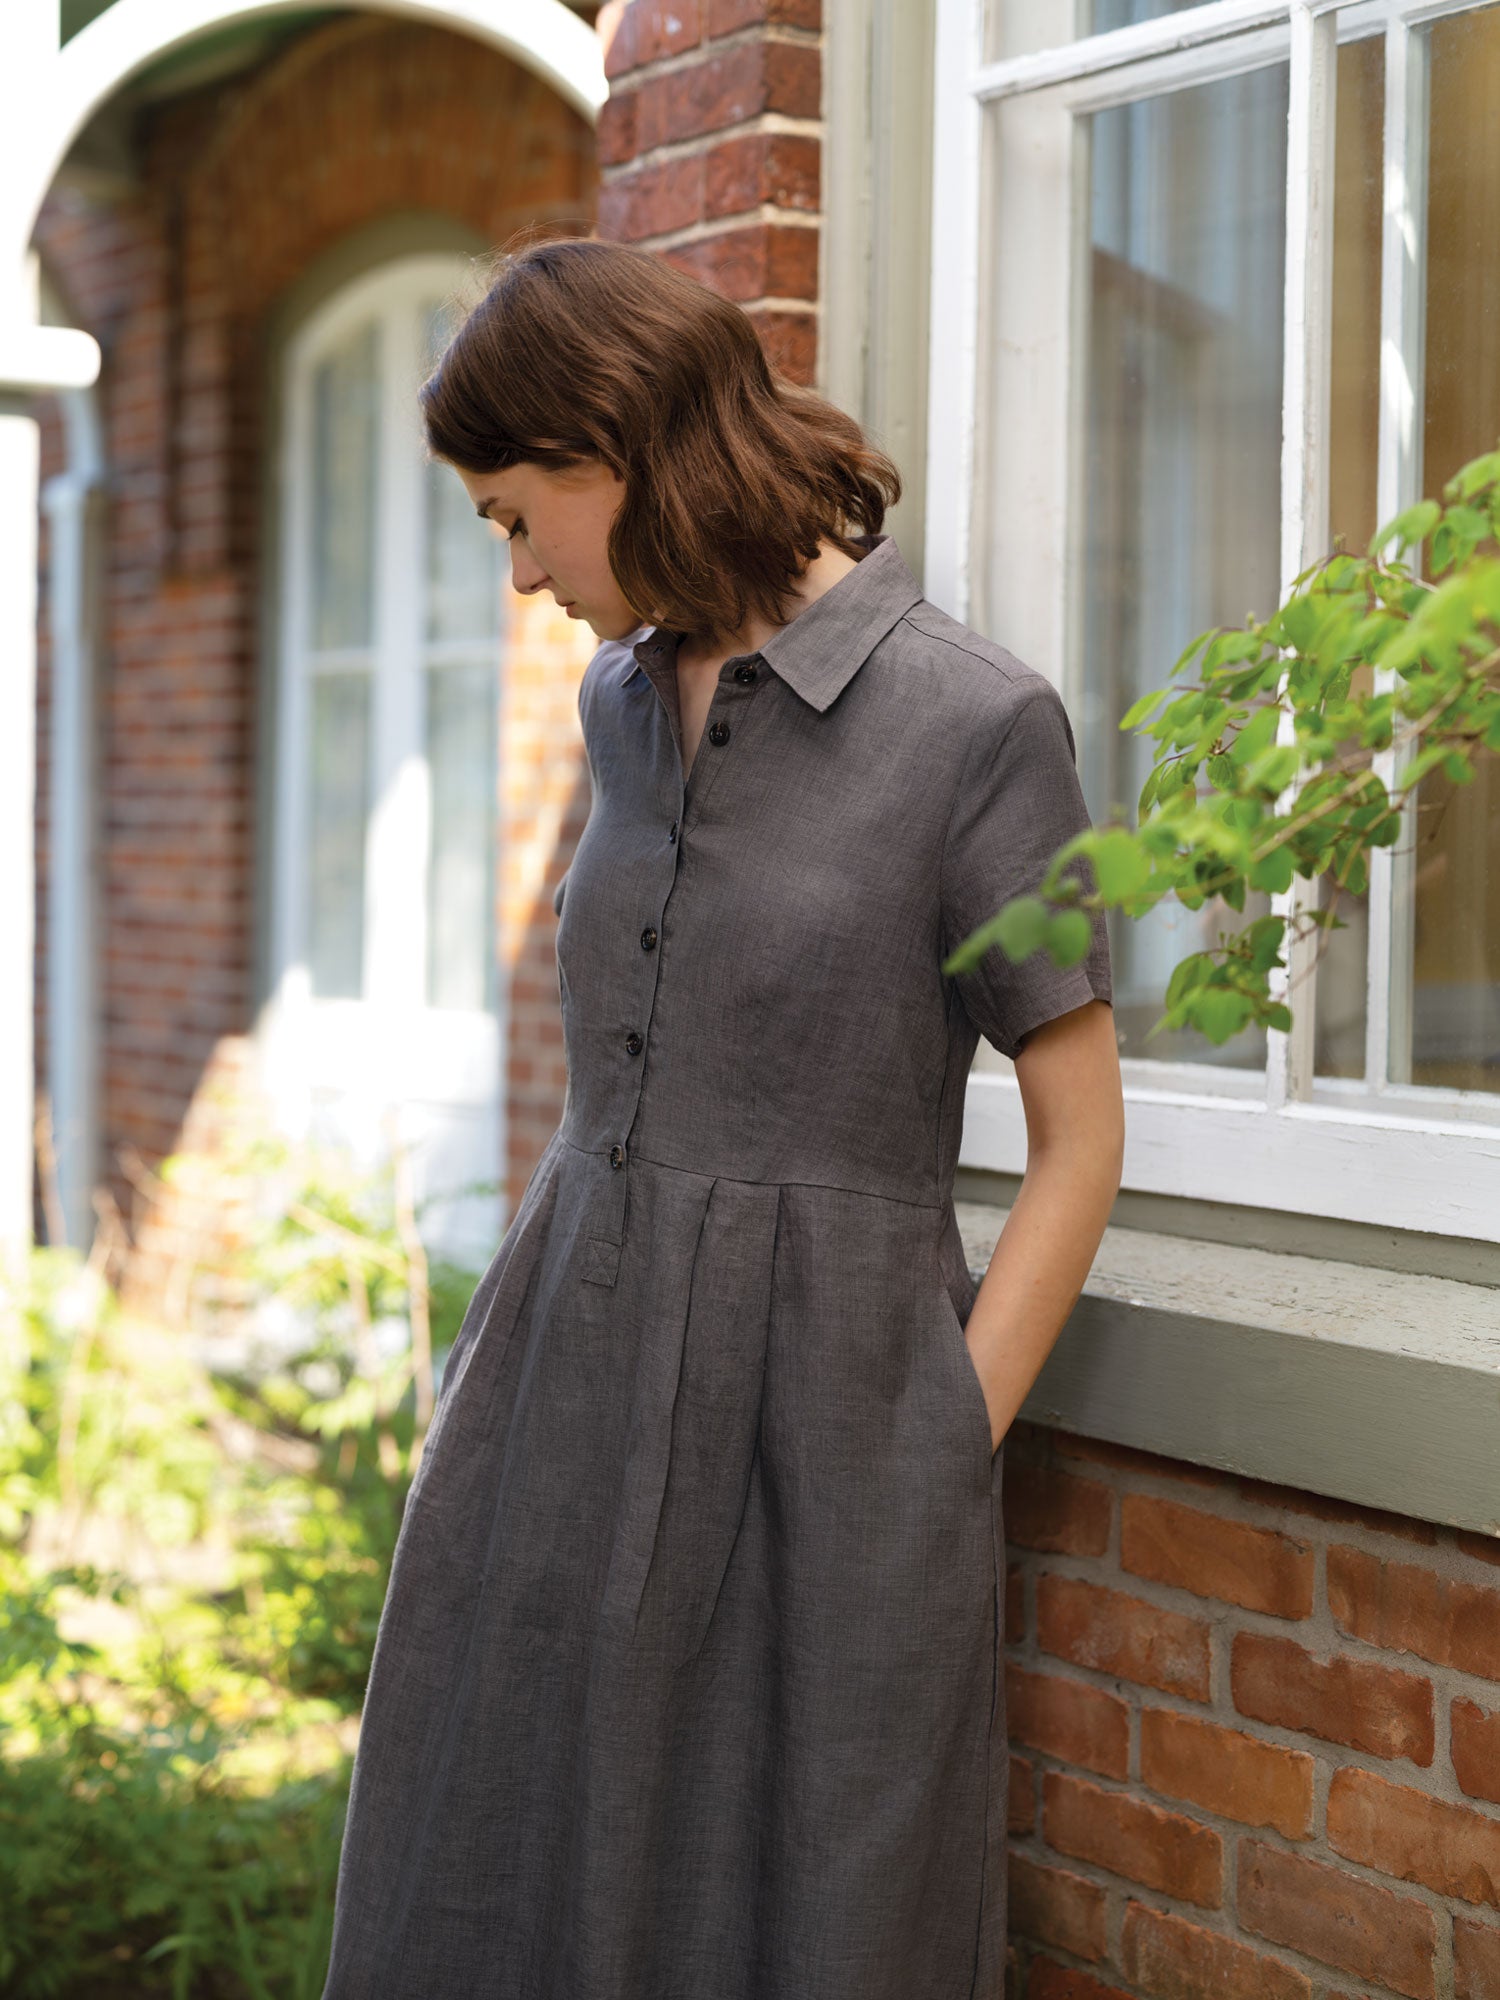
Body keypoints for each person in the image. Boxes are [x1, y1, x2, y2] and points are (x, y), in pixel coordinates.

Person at [321, 234, 1124, 2000]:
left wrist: (935, 1436)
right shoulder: (620, 702)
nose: (523, 575)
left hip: (831, 1435)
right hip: (559, 1395)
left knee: (809, 1896)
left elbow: (1080, 1138)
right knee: (508, 1860)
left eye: (522, 516)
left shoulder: (980, 726)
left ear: (621, 452)